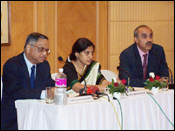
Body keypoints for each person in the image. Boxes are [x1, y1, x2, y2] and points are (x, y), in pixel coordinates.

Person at [1, 32, 55, 130]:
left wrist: (56, 89)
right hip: (14, 119)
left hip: (38, 116)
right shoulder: (12, 65)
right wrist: (45, 93)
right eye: (41, 49)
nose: (45, 54)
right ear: (29, 48)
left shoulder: (44, 65)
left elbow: (49, 84)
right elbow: (16, 92)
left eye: (47, 50)